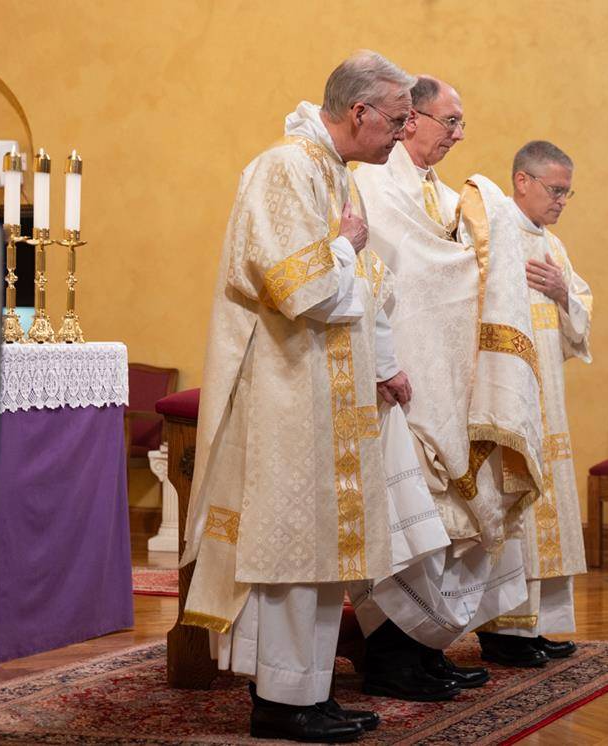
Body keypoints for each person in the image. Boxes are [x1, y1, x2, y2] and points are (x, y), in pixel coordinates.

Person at [179, 51, 415, 743]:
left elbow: (361, 283)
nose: (402, 132)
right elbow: (296, 288)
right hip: (285, 390)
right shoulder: (283, 167)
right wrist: (343, 251)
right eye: (398, 119)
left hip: (324, 388)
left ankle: (308, 692)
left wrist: (382, 351)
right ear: (359, 111)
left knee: (321, 550)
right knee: (287, 546)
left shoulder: (335, 173)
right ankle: (279, 700)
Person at [350, 76, 532, 699]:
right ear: (411, 120)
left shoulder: (433, 189)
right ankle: (389, 660)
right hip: (400, 374)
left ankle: (424, 650)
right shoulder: (376, 183)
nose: (458, 135)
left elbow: (462, 256)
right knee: (410, 521)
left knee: (447, 525)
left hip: (441, 374)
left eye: (461, 124)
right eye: (449, 122)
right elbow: (419, 271)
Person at [459, 140, 593, 667]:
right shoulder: (490, 235)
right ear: (522, 181)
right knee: (513, 509)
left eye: (567, 192)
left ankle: (535, 624)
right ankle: (504, 629)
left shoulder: (552, 246)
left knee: (549, 511)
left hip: (547, 401)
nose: (562, 200)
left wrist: (563, 293)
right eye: (555, 189)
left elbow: (579, 314)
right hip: (508, 396)